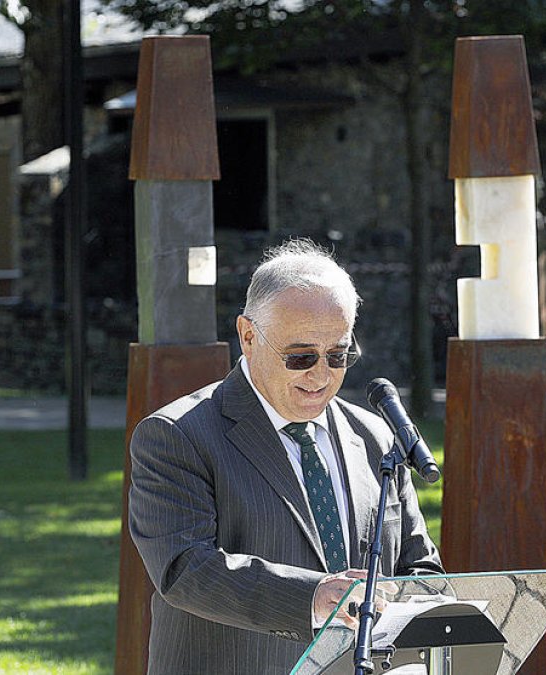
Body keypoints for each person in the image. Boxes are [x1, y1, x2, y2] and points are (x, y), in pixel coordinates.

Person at [129, 238, 444, 674]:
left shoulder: (375, 436)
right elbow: (185, 569)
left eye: (338, 355)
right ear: (248, 337)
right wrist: (312, 597)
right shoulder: (177, 436)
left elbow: (419, 566)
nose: (321, 374)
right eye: (300, 357)